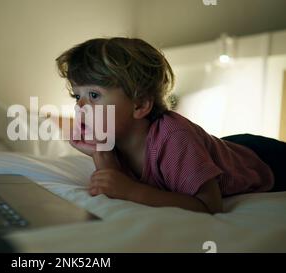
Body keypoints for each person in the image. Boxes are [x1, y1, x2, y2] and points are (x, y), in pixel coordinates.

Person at [55, 37, 286, 214]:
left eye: (94, 94)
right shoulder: (114, 137)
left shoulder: (174, 137)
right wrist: (100, 152)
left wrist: (133, 192)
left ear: (140, 105)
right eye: (77, 96)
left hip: (265, 158)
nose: (81, 106)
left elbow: (209, 205)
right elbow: (113, 182)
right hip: (224, 147)